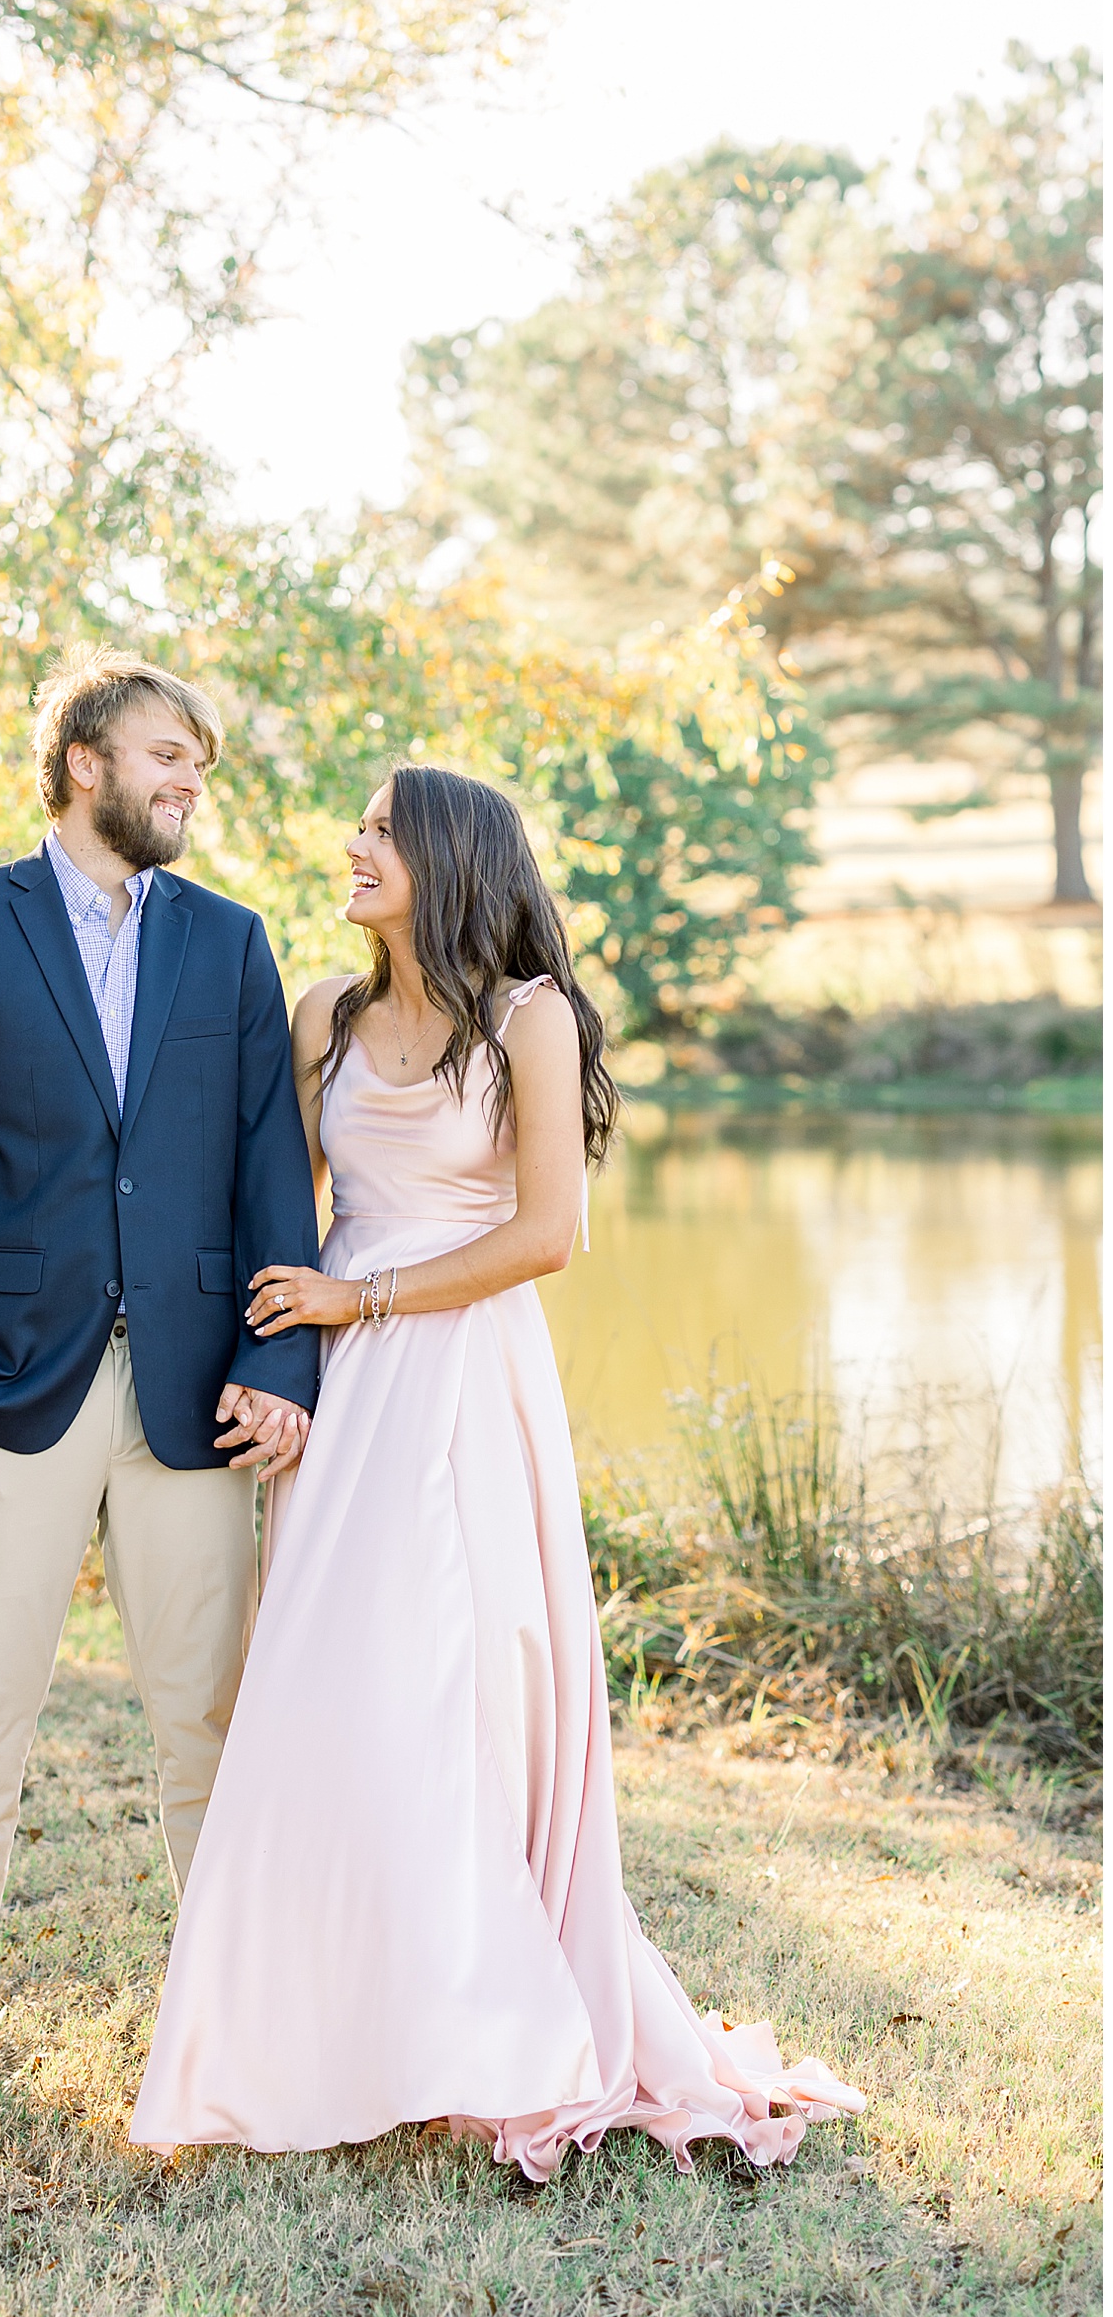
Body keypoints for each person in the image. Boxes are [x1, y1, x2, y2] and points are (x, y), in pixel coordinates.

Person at [130, 765, 863, 2175]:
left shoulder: (532, 1019)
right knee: (325, 1692)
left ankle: (491, 2019)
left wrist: (366, 1300)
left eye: (378, 830)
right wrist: (275, 1347)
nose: (350, 846)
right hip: (339, 1396)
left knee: (458, 1691)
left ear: (449, 856)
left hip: (461, 1378)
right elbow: (271, 1192)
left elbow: (548, 1235)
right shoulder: (324, 1020)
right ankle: (333, 2023)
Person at [0, 647, 320, 2139]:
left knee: (209, 1720)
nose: (190, 784)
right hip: (4, 1390)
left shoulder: (231, 946)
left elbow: (269, 1176)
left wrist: (278, 1361)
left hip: (192, 1397)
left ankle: (227, 2029)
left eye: (199, 764)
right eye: (167, 756)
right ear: (82, 765)